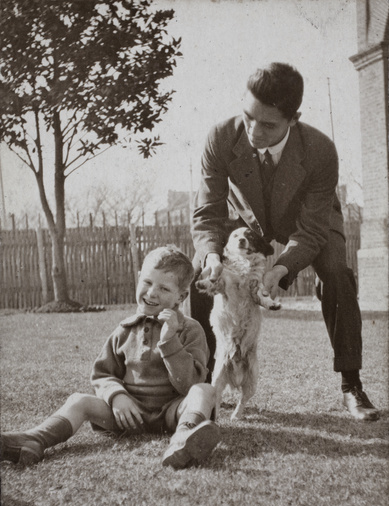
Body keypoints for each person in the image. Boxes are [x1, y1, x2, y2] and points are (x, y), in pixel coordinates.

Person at [190, 62, 379, 422]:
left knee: (338, 273)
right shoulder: (219, 137)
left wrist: (280, 268)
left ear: (294, 119)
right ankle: (202, 387)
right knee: (201, 271)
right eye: (248, 117)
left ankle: (351, 386)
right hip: (247, 220)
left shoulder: (321, 150)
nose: (253, 130)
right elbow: (207, 214)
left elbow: (310, 231)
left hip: (309, 221)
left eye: (268, 124)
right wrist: (213, 256)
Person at [1, 246, 221, 469]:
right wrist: (117, 397)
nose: (152, 292)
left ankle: (184, 438)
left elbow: (190, 384)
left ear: (180, 297)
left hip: (173, 414)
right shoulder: (124, 330)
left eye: (164, 288)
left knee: (205, 391)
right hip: (129, 414)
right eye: (147, 282)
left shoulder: (190, 329)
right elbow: (102, 374)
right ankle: (35, 439)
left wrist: (169, 340)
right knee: (79, 400)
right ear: (138, 279)